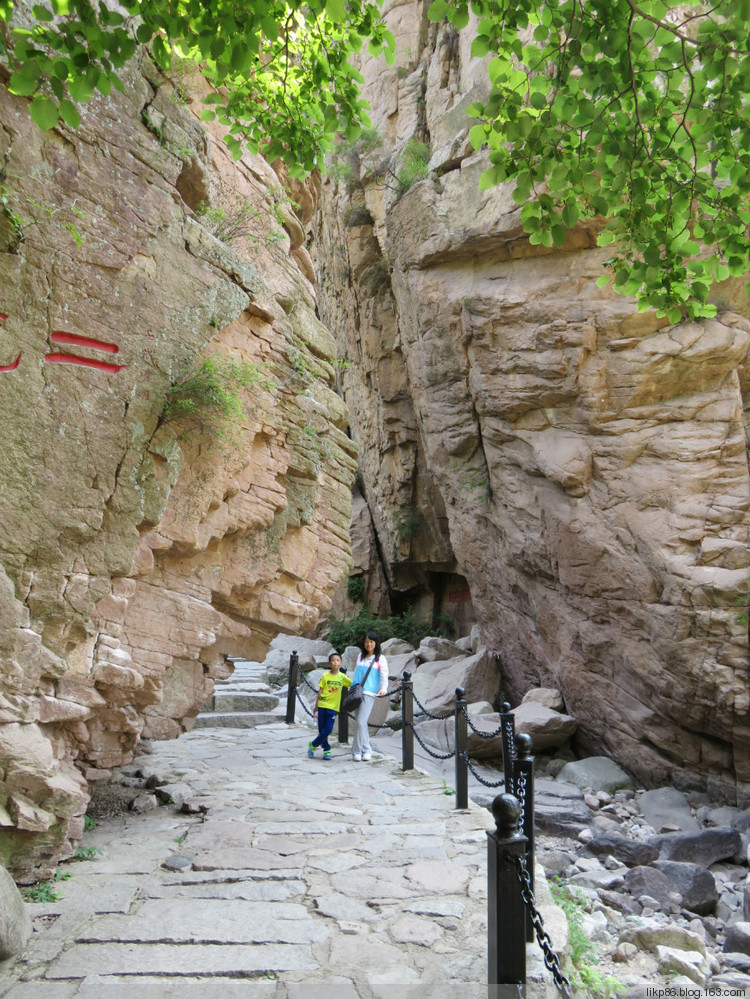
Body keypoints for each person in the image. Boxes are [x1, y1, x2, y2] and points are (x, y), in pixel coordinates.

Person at [350, 631, 388, 762]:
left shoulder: (380, 658)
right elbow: (356, 673)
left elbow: (384, 675)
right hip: (356, 692)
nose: (368, 644)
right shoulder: (360, 656)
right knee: (361, 723)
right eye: (366, 642)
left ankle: (356, 751)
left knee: (360, 722)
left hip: (369, 693)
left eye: (371, 642)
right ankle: (367, 750)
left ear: (376, 643)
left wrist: (383, 689)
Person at [308, 651, 351, 761]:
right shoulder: (325, 676)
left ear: (340, 663)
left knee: (328, 730)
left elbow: (353, 683)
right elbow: (320, 691)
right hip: (322, 704)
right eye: (333, 661)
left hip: (333, 707)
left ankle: (313, 744)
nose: (335, 663)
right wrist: (316, 706)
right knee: (322, 728)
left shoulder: (342, 677)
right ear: (329, 663)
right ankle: (326, 749)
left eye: (337, 660)